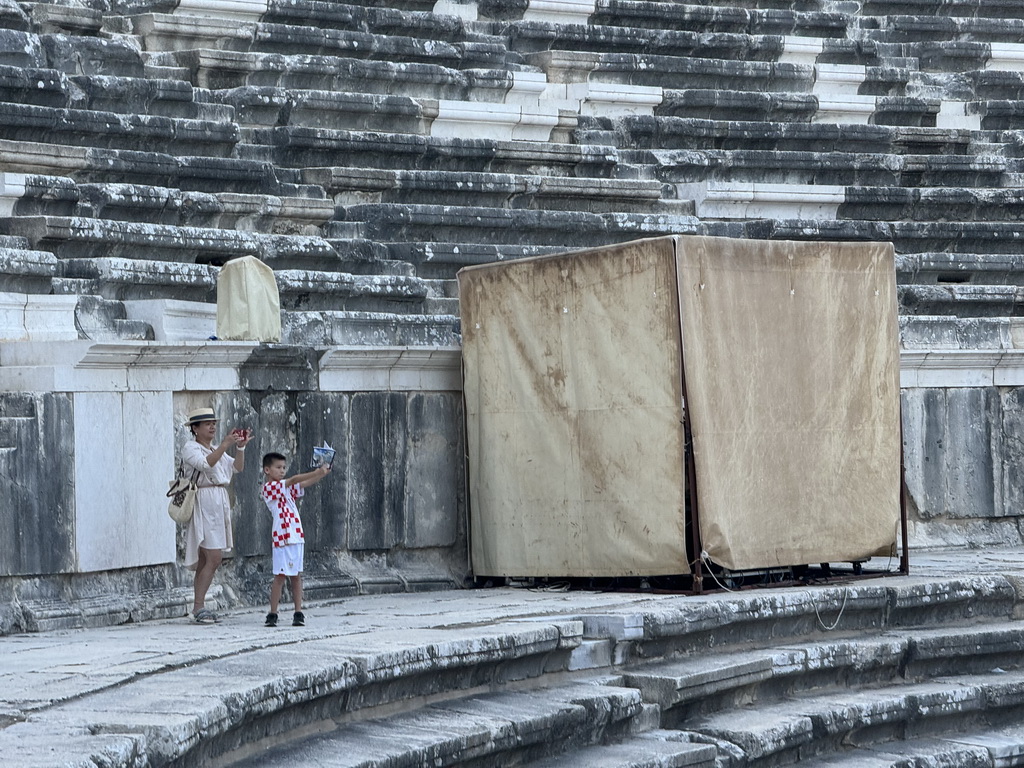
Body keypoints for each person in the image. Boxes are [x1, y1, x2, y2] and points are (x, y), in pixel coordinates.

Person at [180, 407, 251, 624]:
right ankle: (199, 606)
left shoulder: (213, 448)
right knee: (213, 557)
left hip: (218, 501)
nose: (212, 426)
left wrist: (240, 448)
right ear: (195, 428)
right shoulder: (191, 448)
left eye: (213, 423)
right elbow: (205, 464)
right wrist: (225, 444)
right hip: (204, 500)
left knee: (206, 558)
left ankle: (198, 606)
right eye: (207, 423)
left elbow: (236, 468)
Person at [260, 451, 331, 627]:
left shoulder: (287, 489)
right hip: (281, 537)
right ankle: (273, 612)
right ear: (267, 470)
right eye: (278, 468)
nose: (282, 471)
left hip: (296, 535)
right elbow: (294, 480)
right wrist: (316, 472)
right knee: (280, 576)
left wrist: (321, 474)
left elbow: (303, 483)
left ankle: (298, 611)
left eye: (284, 467)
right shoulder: (269, 488)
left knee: (296, 575)